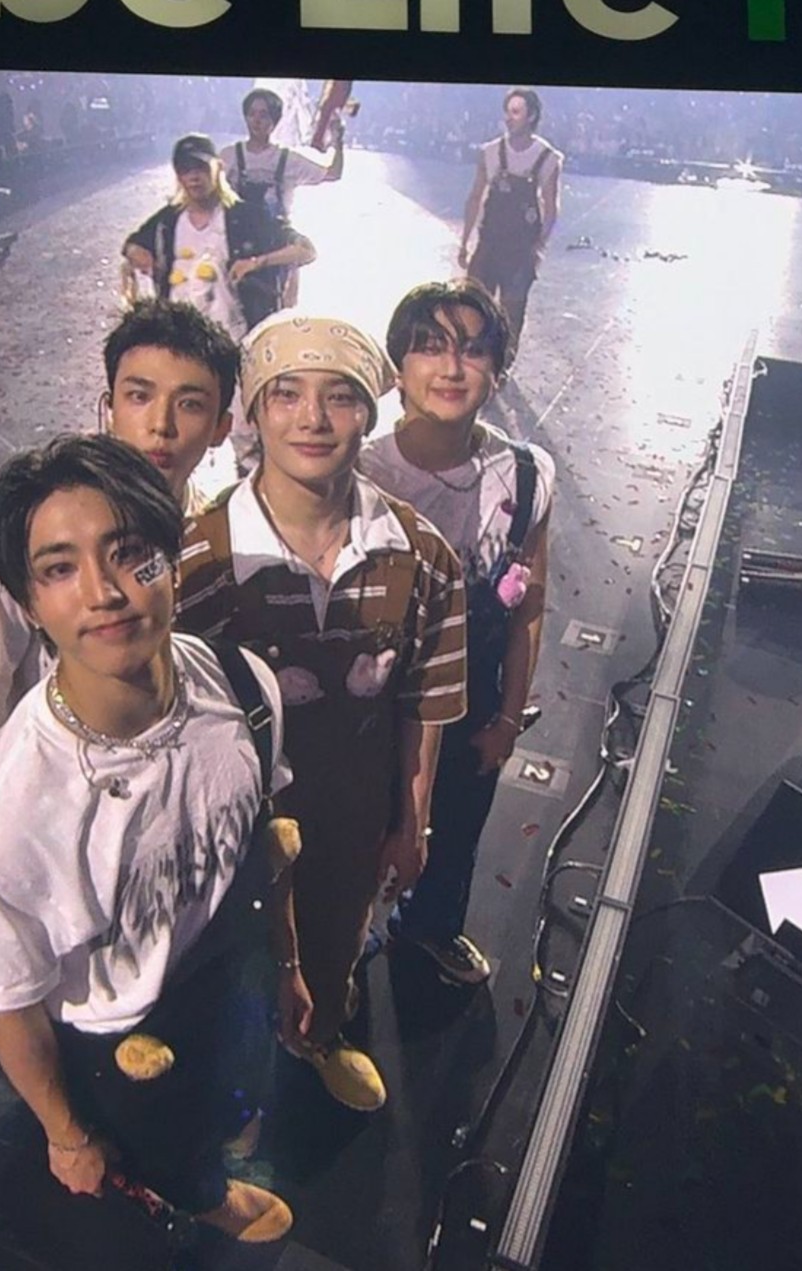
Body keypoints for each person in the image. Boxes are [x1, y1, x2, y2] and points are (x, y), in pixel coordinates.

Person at [0, 433, 294, 1243]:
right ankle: (196, 1195)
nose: (104, 592)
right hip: (124, 1046)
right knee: (165, 1159)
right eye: (60, 568)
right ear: (28, 604)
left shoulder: (245, 686)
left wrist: (290, 966)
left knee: (239, 1085)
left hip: (232, 971)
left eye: (131, 554)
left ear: (173, 562)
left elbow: (260, 840)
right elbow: (9, 1003)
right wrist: (66, 1133)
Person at [176, 314, 467, 1111]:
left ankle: (318, 1036)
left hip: (351, 810)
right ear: (254, 412)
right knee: (231, 961)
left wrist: (412, 823)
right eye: (286, 395)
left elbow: (426, 700)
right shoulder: (198, 561)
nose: (312, 418)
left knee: (336, 933)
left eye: (339, 396)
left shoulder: (421, 554)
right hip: (232, 827)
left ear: (370, 413)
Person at [0, 297, 239, 785]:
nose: (160, 425)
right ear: (109, 408)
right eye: (139, 396)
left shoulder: (209, 525)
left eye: (190, 404)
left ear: (222, 427)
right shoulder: (41, 530)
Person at [359, 279, 554, 985]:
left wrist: (507, 718)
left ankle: (431, 928)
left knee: (459, 826)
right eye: (429, 347)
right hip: (376, 701)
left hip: (473, 694)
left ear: (498, 369)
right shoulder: (359, 472)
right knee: (361, 831)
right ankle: (343, 948)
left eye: (472, 350)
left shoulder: (526, 474)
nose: (451, 367)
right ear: (398, 367)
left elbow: (530, 604)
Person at [121, 132, 316, 343]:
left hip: (236, 341)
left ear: (219, 168)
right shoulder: (167, 221)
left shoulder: (248, 217)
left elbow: (306, 250)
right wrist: (137, 253)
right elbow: (131, 246)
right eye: (185, 169)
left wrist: (257, 262)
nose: (194, 177)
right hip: (179, 342)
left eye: (201, 167)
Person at [458, 88, 562, 357]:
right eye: (507, 111)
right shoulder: (490, 152)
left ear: (532, 116)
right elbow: (475, 197)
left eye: (516, 112)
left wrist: (539, 246)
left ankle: (503, 365)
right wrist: (464, 242)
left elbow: (551, 208)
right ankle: (472, 360)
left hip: (520, 251)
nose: (508, 117)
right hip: (489, 244)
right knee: (472, 307)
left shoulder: (548, 158)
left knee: (512, 316)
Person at [219, 87, 344, 223]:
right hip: (237, 231)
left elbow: (333, 174)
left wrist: (338, 141)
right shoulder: (229, 155)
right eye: (251, 114)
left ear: (274, 120)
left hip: (277, 233)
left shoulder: (289, 160)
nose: (256, 120)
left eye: (263, 115)